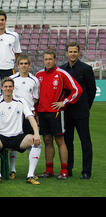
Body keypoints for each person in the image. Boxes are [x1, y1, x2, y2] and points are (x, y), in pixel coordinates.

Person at [35, 49, 83, 180]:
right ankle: (49, 170)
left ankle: (64, 171)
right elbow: (35, 95)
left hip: (56, 113)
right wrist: (36, 111)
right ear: (43, 60)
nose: (48, 61)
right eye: (46, 59)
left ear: (55, 60)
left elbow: (77, 90)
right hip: (42, 113)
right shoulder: (38, 75)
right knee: (47, 140)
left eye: (50, 59)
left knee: (60, 141)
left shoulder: (62, 73)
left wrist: (65, 102)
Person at [0, 77, 42, 185]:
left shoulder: (21, 101)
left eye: (10, 86)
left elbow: (31, 117)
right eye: (5, 86)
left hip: (18, 137)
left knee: (36, 141)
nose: (8, 89)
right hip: (1, 137)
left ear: (13, 88)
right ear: (1, 88)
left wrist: (36, 134)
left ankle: (30, 175)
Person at [60, 42, 95, 179]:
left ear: (79, 53)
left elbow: (91, 91)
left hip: (81, 112)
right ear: (67, 53)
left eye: (75, 51)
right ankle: (68, 169)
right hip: (67, 111)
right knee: (68, 142)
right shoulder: (62, 69)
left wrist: (86, 107)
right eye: (70, 51)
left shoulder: (86, 69)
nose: (73, 54)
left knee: (85, 141)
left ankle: (86, 171)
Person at [9, 55, 40, 179]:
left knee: (32, 141)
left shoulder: (34, 80)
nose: (23, 66)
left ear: (29, 65)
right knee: (12, 143)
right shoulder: (11, 79)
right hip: (15, 116)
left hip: (29, 116)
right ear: (17, 65)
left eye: (26, 63)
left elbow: (36, 98)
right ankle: (12, 170)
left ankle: (31, 171)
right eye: (21, 63)